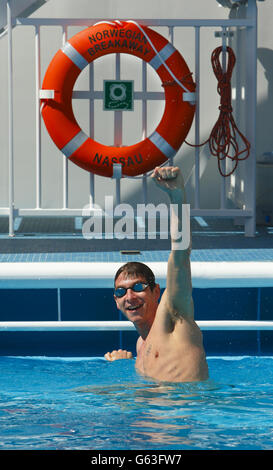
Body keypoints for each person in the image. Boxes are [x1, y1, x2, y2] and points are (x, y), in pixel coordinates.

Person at [104, 165, 209, 383]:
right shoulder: (140, 346)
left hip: (189, 414)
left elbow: (180, 255)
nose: (130, 296)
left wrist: (177, 196)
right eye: (121, 291)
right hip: (158, 414)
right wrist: (123, 364)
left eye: (139, 287)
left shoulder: (173, 315)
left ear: (156, 291)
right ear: (116, 301)